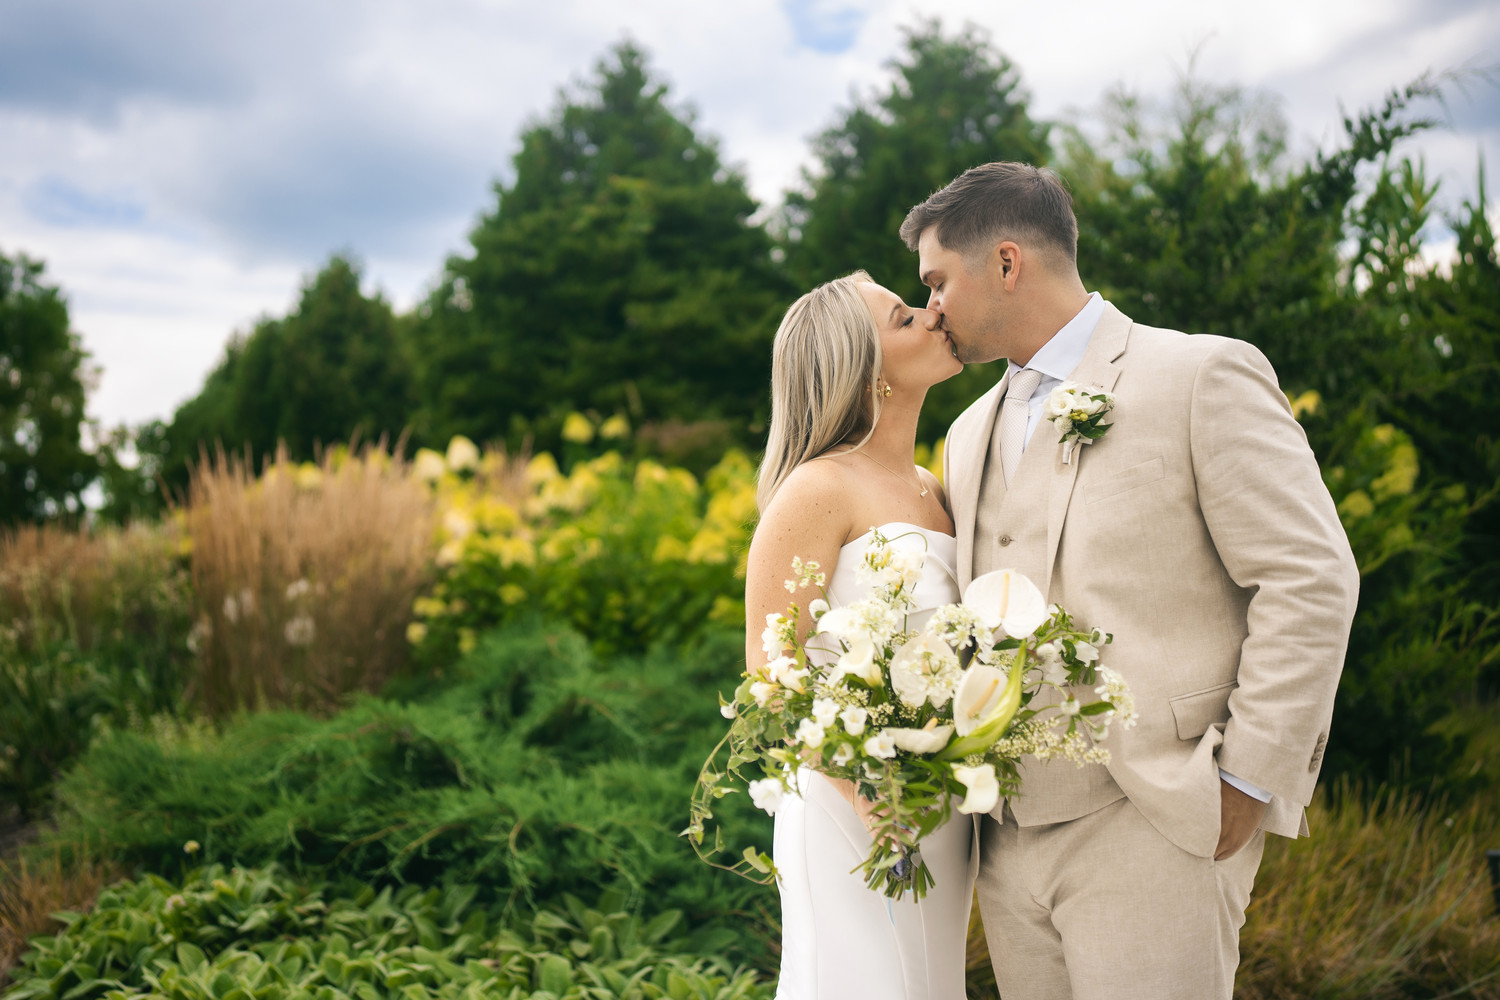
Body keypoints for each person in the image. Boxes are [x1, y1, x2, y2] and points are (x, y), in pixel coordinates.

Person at [898, 161, 1361, 1000]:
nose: (931, 307)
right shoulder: (965, 432)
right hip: (1004, 840)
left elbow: (1311, 575)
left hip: (1157, 816)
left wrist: (1247, 781)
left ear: (1007, 263)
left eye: (937, 281)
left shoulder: (1199, 376)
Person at [744, 270, 974, 999]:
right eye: (906, 318)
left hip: (940, 805)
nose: (935, 315)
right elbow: (769, 670)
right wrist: (866, 787)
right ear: (865, 372)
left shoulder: (936, 489)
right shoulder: (817, 489)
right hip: (854, 809)